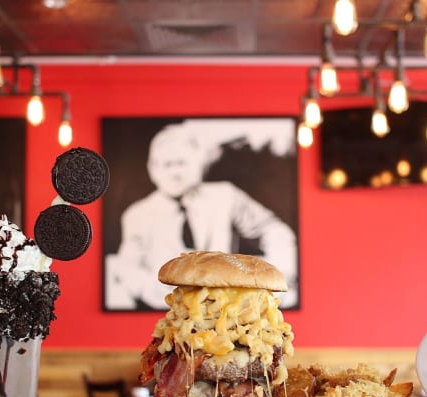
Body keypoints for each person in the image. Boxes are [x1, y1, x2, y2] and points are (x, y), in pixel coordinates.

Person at [105, 120, 298, 310]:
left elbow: (273, 230)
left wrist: (280, 275)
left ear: (198, 163)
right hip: (169, 310)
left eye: (181, 163)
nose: (174, 173)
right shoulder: (137, 214)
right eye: (166, 164)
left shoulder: (225, 195)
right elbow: (129, 267)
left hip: (227, 311)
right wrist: (173, 297)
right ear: (152, 169)